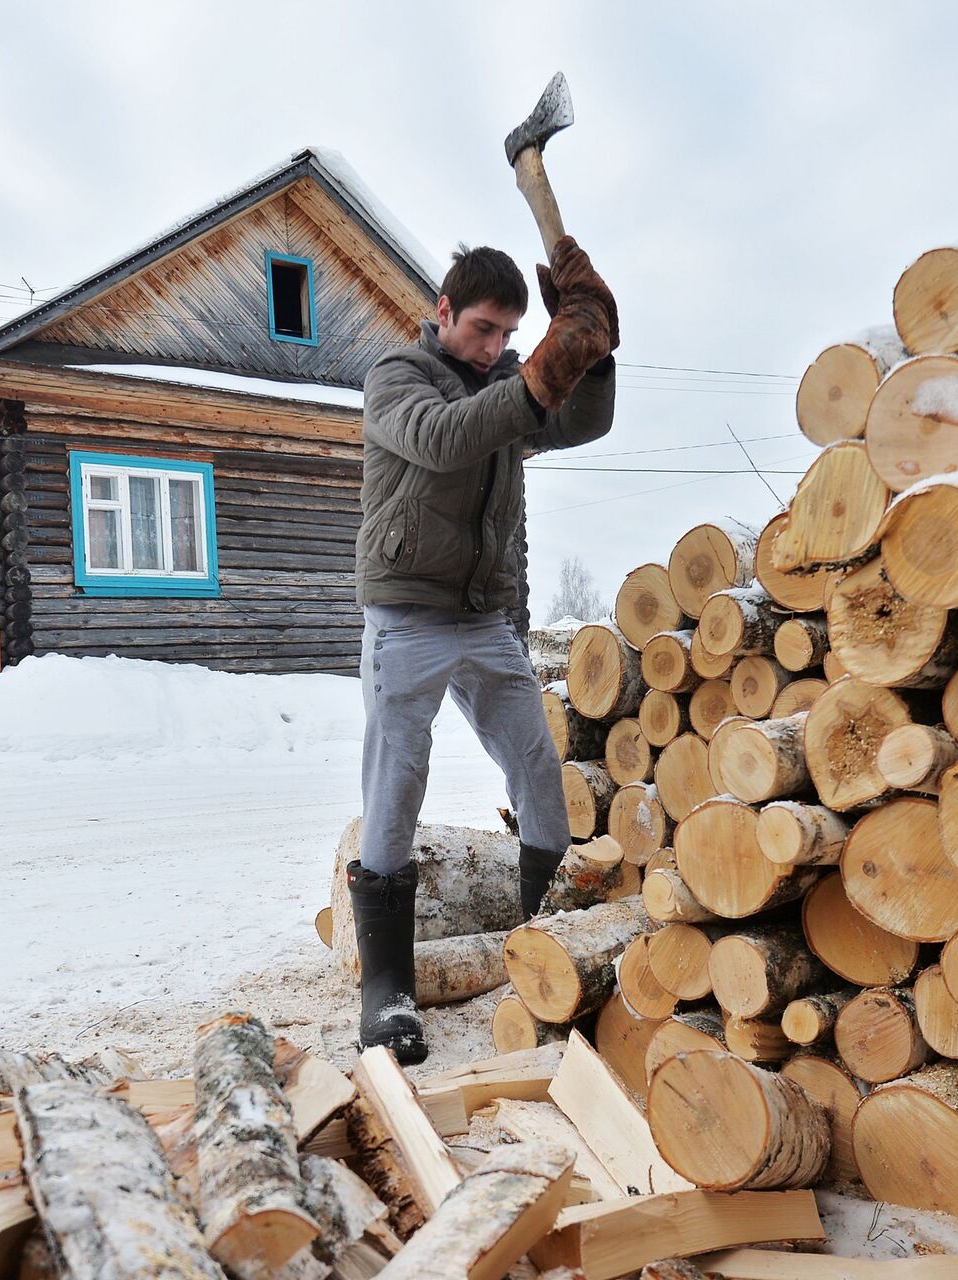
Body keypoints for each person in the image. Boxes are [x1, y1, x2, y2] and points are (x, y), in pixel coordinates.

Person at [346, 236, 619, 1063]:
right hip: (406, 613)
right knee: (397, 783)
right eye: (483, 329)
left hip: (484, 615)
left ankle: (547, 954)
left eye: (510, 334)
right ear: (442, 312)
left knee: (538, 771)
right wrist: (537, 377)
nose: (496, 347)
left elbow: (583, 420)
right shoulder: (397, 379)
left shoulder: (507, 387)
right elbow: (444, 440)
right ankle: (387, 991)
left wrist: (596, 349)